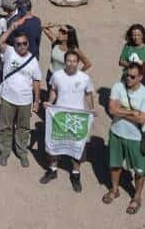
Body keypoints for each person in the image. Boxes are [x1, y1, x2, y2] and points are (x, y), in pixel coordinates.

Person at [42, 49, 96, 191]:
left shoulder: (84, 78)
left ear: (78, 63)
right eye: (68, 61)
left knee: (77, 147)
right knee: (55, 143)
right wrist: (50, 102)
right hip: (60, 116)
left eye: (74, 61)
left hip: (77, 118)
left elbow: (89, 94)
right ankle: (52, 170)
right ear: (64, 62)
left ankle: (76, 174)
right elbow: (53, 90)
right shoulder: (57, 75)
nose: (71, 64)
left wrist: (91, 109)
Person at [104, 62, 145, 214]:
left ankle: (137, 197)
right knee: (115, 164)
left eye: (132, 77)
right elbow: (111, 110)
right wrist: (132, 113)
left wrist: (121, 111)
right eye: (127, 75)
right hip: (116, 133)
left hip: (136, 138)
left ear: (140, 77)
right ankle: (114, 189)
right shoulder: (118, 87)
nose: (128, 79)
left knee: (139, 170)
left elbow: (142, 120)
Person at [0, 33, 43, 167]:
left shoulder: (33, 60)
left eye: (25, 43)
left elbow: (36, 81)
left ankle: (22, 152)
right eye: (18, 44)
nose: (22, 46)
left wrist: (37, 100)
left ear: (28, 43)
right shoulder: (10, 52)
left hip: (25, 100)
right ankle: (4, 152)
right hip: (8, 97)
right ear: (14, 45)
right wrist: (12, 27)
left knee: (23, 128)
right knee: (5, 127)